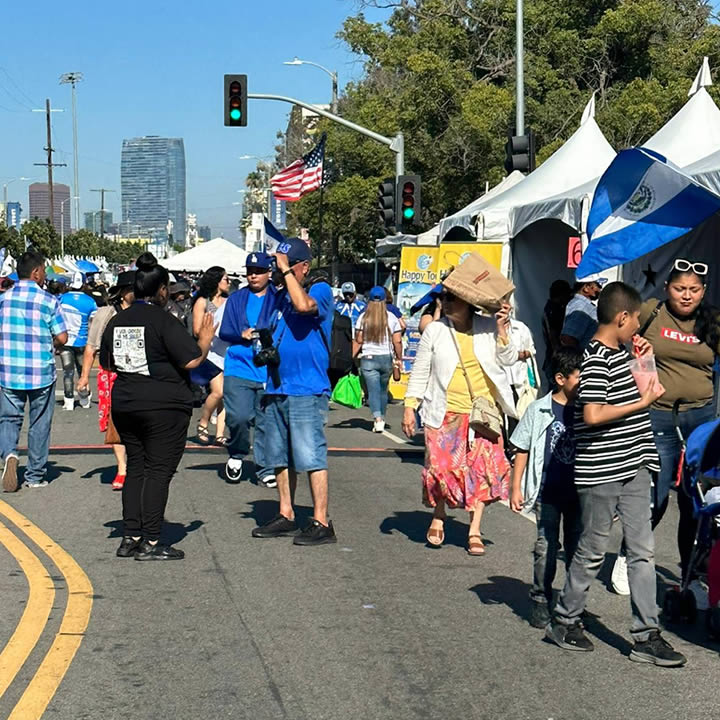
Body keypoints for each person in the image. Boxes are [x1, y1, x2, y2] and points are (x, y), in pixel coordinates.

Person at [546, 282, 686, 667]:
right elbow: (592, 414)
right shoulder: (594, 359)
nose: (639, 325)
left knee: (642, 551)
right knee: (593, 549)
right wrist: (639, 403)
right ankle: (565, 619)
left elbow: (651, 389)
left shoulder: (624, 354)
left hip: (636, 464)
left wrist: (644, 359)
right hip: (602, 469)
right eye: (637, 319)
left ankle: (646, 635)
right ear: (622, 317)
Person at [100, 253, 215, 560]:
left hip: (126, 402)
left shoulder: (117, 320)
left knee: (136, 468)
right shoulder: (165, 320)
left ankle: (130, 535)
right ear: (162, 290)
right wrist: (205, 339)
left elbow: (106, 362)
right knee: (159, 472)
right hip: (164, 405)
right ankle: (151, 541)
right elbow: (191, 358)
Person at [401, 289, 518, 555]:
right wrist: (410, 406)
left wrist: (502, 329)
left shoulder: (488, 327)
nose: (446, 303)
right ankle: (439, 514)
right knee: (441, 470)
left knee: (482, 473)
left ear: (468, 301)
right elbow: (421, 369)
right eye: (444, 298)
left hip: (482, 415)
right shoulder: (435, 330)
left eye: (452, 298)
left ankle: (474, 529)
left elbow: (509, 359)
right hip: (444, 414)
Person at [633, 259, 720, 600]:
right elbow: (621, 337)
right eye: (680, 288)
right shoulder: (650, 312)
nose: (687, 296)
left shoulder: (711, 320)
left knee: (695, 500)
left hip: (701, 419)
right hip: (658, 416)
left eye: (694, 290)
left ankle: (691, 570)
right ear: (667, 287)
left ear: (704, 292)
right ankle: (632, 555)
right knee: (656, 497)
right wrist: (636, 352)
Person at [251, 238, 337, 546]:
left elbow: (304, 307)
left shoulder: (320, 290)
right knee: (279, 456)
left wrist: (286, 273)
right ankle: (286, 513)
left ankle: (321, 521)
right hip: (277, 384)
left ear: (303, 266)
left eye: (287, 266)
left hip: (307, 387)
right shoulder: (279, 296)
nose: (278, 272)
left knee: (310, 454)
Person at [510, 349, 583, 628]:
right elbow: (522, 448)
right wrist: (516, 487)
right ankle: (541, 597)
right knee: (546, 547)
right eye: (580, 376)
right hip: (547, 493)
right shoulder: (539, 409)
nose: (585, 381)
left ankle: (573, 602)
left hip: (578, 494)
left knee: (579, 550)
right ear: (560, 378)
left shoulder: (588, 409)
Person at [0, 250, 67, 490]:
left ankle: (9, 453)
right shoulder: (49, 301)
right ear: (36, 272)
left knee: (9, 418)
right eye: (45, 269)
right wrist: (53, 345)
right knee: (39, 422)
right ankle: (35, 476)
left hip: (9, 370)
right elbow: (62, 336)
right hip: (40, 371)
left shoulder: (3, 299)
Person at [219, 251, 277, 487]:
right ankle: (237, 452)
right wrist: (240, 335)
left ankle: (265, 467)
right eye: (250, 271)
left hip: (268, 368)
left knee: (266, 421)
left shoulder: (278, 297)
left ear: (269, 273)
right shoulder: (236, 298)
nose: (253, 276)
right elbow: (224, 332)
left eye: (259, 272)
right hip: (239, 365)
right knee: (239, 416)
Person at [77, 271, 136, 491]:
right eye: (132, 288)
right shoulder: (105, 313)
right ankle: (122, 468)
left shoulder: (146, 311)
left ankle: (137, 463)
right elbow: (91, 347)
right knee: (115, 422)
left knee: (139, 419)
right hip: (111, 373)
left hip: (139, 374)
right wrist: (84, 377)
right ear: (122, 292)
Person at [353, 286, 403, 433]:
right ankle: (382, 416)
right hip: (386, 358)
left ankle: (378, 419)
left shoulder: (363, 318)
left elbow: (359, 339)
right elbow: (397, 341)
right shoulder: (392, 318)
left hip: (368, 357)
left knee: (372, 391)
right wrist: (399, 358)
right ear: (384, 301)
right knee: (382, 390)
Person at [192, 267, 230, 445]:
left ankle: (220, 433)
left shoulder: (229, 302)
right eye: (225, 279)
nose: (228, 283)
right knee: (218, 391)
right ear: (216, 281)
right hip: (209, 353)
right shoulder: (203, 301)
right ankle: (203, 422)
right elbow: (196, 330)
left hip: (226, 352)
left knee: (224, 395)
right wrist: (211, 330)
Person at [59, 272, 97, 410]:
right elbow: (93, 323)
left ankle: (68, 400)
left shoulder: (61, 299)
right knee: (83, 372)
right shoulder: (90, 301)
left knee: (67, 372)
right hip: (82, 342)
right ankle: (84, 398)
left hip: (65, 341)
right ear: (84, 284)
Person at [560, 274, 607, 350]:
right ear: (586, 288)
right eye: (598, 285)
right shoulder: (581, 306)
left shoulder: (582, 305)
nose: (600, 289)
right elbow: (568, 338)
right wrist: (577, 359)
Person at [542, 279, 572, 383]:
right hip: (555, 356)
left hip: (554, 355)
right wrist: (558, 354)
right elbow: (552, 333)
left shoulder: (553, 308)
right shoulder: (553, 310)